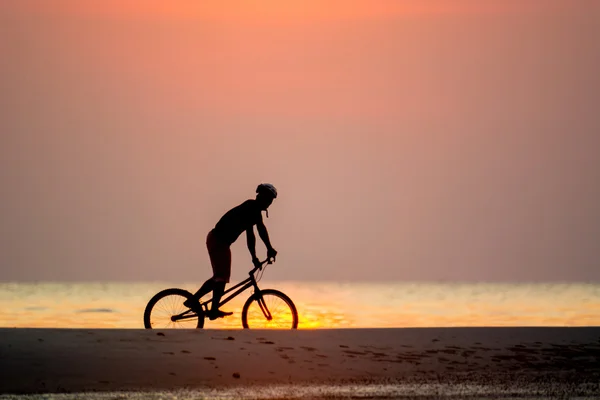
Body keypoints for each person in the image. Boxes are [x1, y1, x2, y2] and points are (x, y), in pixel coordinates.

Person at [184, 183, 278, 320]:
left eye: (271, 201)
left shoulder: (254, 211)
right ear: (262, 196)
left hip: (222, 243)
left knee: (220, 277)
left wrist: (255, 257)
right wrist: (267, 249)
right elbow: (259, 231)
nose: (269, 203)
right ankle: (207, 306)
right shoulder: (251, 207)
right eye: (269, 200)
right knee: (220, 277)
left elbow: (251, 235)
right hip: (217, 240)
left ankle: (198, 302)